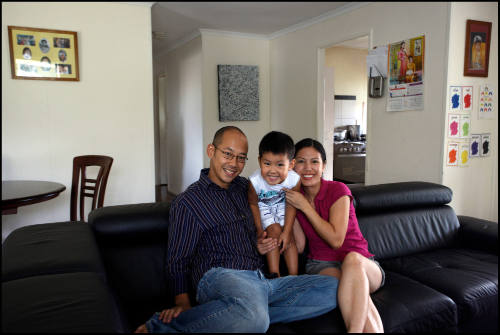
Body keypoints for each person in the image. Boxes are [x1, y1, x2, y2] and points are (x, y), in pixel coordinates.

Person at [135, 126, 339, 333]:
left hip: (262, 282)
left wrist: (261, 242)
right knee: (254, 317)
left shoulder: (248, 187)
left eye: (241, 158)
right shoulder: (188, 202)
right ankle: (159, 328)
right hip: (221, 277)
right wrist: (182, 302)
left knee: (333, 289)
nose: (234, 164)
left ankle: (242, 316)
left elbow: (281, 196)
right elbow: (177, 260)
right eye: (228, 154)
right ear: (211, 151)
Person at [284, 138, 385, 333]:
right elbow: (301, 245)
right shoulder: (295, 198)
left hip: (363, 264)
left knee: (352, 261)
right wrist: (289, 211)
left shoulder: (338, 190)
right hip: (322, 265)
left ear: (324, 166)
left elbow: (336, 240)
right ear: (293, 166)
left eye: (315, 161)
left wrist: (304, 206)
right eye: (301, 161)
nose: (308, 168)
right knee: (351, 291)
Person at [248, 131, 301, 278]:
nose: (272, 170)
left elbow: (292, 204)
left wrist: (288, 230)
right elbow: (253, 204)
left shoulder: (294, 180)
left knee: (287, 235)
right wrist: (259, 229)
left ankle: (293, 277)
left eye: (279, 164)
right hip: (263, 206)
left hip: (283, 205)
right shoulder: (255, 181)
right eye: (267, 163)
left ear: (291, 164)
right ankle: (274, 276)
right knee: (274, 231)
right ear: (260, 161)